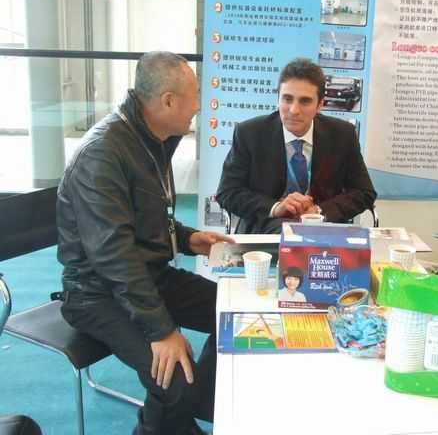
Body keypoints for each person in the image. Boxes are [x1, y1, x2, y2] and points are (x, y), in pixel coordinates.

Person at [57, 51, 233, 435]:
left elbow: (146, 218)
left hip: (147, 275)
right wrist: (161, 331)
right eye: (195, 95)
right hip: (97, 292)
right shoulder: (102, 155)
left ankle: (183, 416)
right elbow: (113, 256)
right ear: (168, 101)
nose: (199, 106)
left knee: (234, 316)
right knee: (177, 381)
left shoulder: (151, 138)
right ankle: (176, 414)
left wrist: (188, 239)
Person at [216, 58, 377, 233]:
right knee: (289, 234)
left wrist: (318, 212)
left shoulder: (342, 135)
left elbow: (364, 192)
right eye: (287, 99)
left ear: (320, 105)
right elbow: (228, 192)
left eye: (305, 101)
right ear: (277, 99)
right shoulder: (250, 133)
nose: (294, 110)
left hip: (323, 227)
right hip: (266, 226)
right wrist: (276, 207)